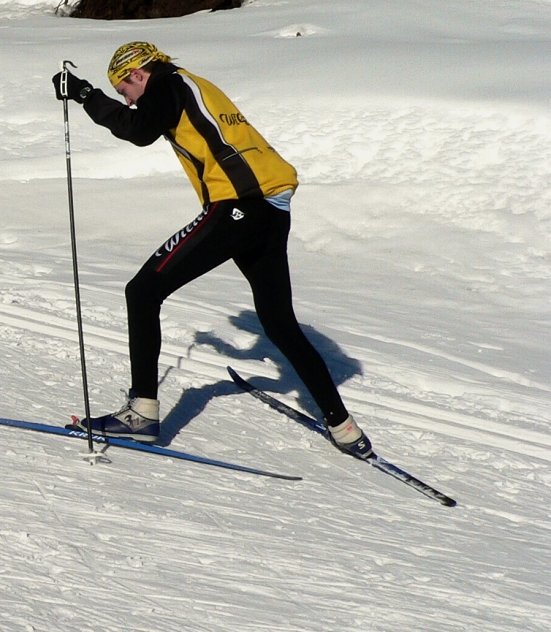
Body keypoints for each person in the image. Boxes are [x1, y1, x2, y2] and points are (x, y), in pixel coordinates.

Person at [52, 42, 373, 459]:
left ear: (137, 74)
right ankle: (344, 428)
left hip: (239, 204)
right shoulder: (191, 83)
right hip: (271, 210)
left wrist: (83, 95)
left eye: (123, 91)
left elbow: (139, 131)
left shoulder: (166, 84)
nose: (125, 100)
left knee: (142, 291)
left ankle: (142, 414)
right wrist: (227, 348)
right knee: (278, 324)